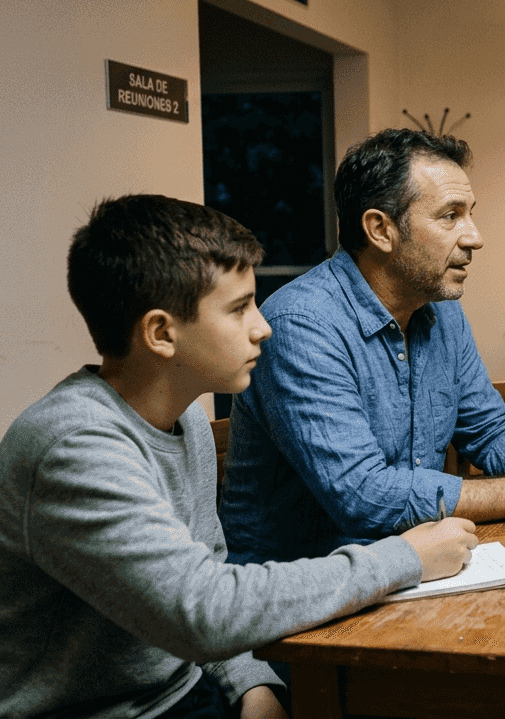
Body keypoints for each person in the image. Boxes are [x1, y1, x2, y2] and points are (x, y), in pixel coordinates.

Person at [0, 195, 478, 719]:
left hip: (189, 694)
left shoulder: (183, 419)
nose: (263, 327)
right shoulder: (74, 446)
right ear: (161, 333)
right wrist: (406, 559)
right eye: (238, 309)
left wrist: (252, 686)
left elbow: (208, 577)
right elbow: (205, 611)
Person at [220, 129, 505, 565]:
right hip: (307, 591)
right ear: (380, 229)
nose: (475, 237)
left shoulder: (441, 311)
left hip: (417, 566)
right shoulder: (302, 325)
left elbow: (491, 429)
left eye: (470, 214)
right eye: (451, 216)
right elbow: (364, 495)